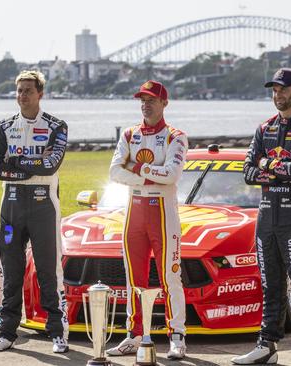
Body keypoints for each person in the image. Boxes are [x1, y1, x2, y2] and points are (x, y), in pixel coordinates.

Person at [236, 68, 291, 366]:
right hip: (266, 218)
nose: (278, 94)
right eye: (274, 89)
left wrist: (266, 163)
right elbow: (248, 172)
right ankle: (267, 345)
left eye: (283, 89)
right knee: (269, 284)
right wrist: (273, 164)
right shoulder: (264, 128)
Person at [0, 70, 69, 354]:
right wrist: (32, 162)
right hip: (10, 205)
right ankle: (7, 333)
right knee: (11, 271)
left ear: (40, 94)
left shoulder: (57, 126)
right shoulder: (3, 126)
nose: (22, 96)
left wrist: (17, 159)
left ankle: (58, 332)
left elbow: (50, 166)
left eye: (28, 91)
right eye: (19, 90)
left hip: (44, 204)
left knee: (48, 270)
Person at [107, 80, 188, 360]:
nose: (145, 104)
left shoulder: (175, 136)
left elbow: (173, 175)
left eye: (151, 99)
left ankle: (176, 336)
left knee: (170, 277)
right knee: (134, 279)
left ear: (164, 103)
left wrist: (137, 166)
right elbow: (115, 172)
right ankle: (134, 335)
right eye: (142, 99)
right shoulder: (130, 134)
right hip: (134, 210)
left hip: (164, 212)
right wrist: (149, 174)